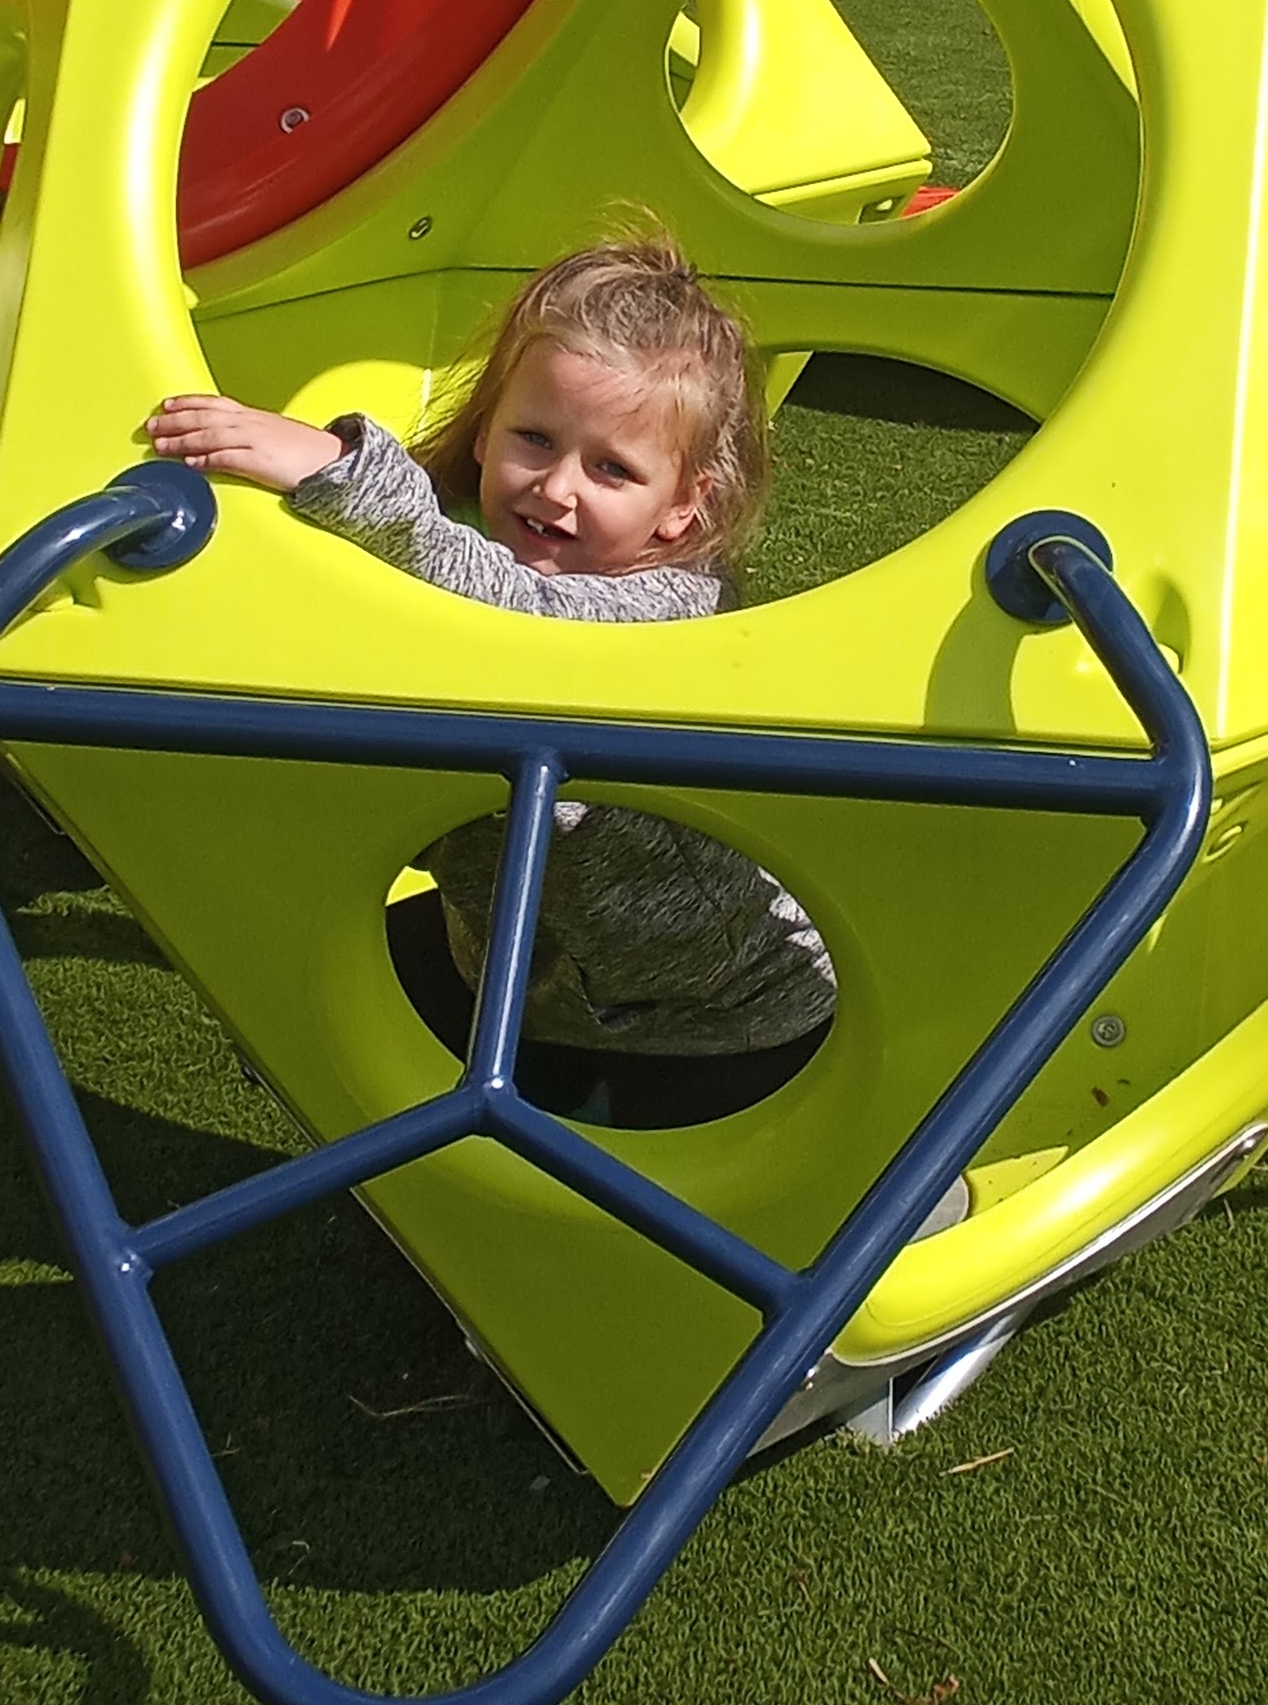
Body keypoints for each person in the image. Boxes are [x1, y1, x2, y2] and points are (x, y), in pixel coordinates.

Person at [145, 234, 836, 1126]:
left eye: (613, 469)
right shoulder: (465, 556)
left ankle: (898, 1184)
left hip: (713, 1015)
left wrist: (344, 477)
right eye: (535, 439)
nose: (557, 487)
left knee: (675, 1191)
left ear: (682, 507)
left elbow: (522, 616)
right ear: (486, 431)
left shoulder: (671, 610)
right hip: (517, 970)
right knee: (297, 1018)